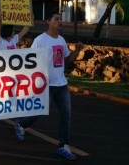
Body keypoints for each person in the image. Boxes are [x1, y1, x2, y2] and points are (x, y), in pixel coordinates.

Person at [14, 10, 84, 161]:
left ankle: (64, 146)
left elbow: (67, 61)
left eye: (60, 19)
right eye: (56, 19)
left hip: (61, 83)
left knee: (66, 116)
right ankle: (21, 124)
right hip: (46, 84)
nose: (60, 22)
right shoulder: (40, 40)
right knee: (39, 112)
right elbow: (31, 61)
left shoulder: (61, 40)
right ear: (48, 22)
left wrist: (77, 50)